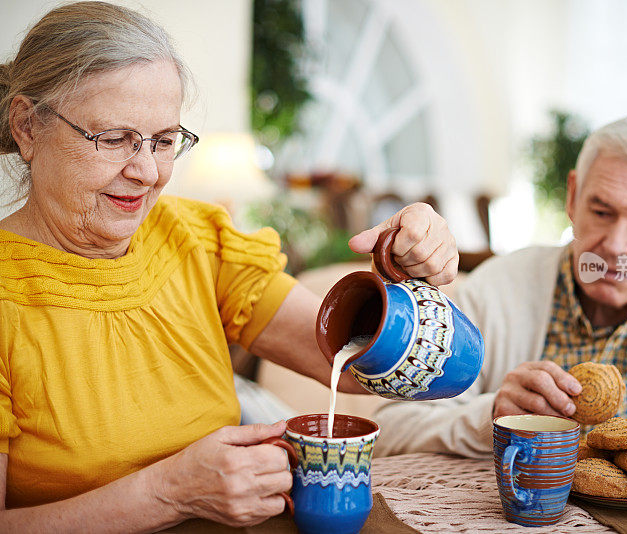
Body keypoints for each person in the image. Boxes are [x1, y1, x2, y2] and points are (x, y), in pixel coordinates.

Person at [0, 2, 458, 530]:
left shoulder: (194, 240)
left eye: (165, 141)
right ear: (27, 127)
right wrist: (169, 493)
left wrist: (407, 272)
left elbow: (360, 368)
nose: (148, 171)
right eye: (113, 138)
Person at [374, 115, 627, 458]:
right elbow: (390, 428)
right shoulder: (498, 289)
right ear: (573, 198)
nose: (616, 245)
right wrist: (490, 416)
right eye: (602, 212)